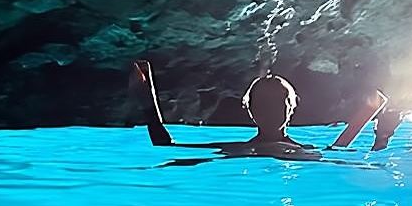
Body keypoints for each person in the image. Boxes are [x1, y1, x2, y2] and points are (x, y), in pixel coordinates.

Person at [129, 59, 387, 159]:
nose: (272, 109)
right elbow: (167, 148)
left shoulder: (236, 151)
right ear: (250, 109)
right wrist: (147, 99)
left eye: (278, 101)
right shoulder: (309, 154)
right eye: (265, 102)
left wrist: (379, 134)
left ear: (291, 107)